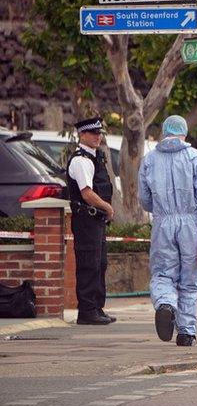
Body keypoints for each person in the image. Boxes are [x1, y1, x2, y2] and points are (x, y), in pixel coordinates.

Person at [138, 115, 197, 347]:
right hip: (190, 224)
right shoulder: (196, 158)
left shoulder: (149, 160)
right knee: (189, 278)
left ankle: (165, 303)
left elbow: (144, 199)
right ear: (184, 133)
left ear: (164, 131)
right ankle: (186, 331)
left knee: (163, 272)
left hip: (163, 222)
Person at [66, 117, 115, 326]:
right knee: (89, 264)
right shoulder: (81, 160)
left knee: (99, 264)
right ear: (82, 135)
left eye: (100, 133)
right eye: (93, 133)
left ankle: (96, 307)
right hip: (86, 219)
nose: (98, 137)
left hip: (96, 220)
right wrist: (108, 207)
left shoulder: (95, 158)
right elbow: (87, 193)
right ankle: (86, 311)